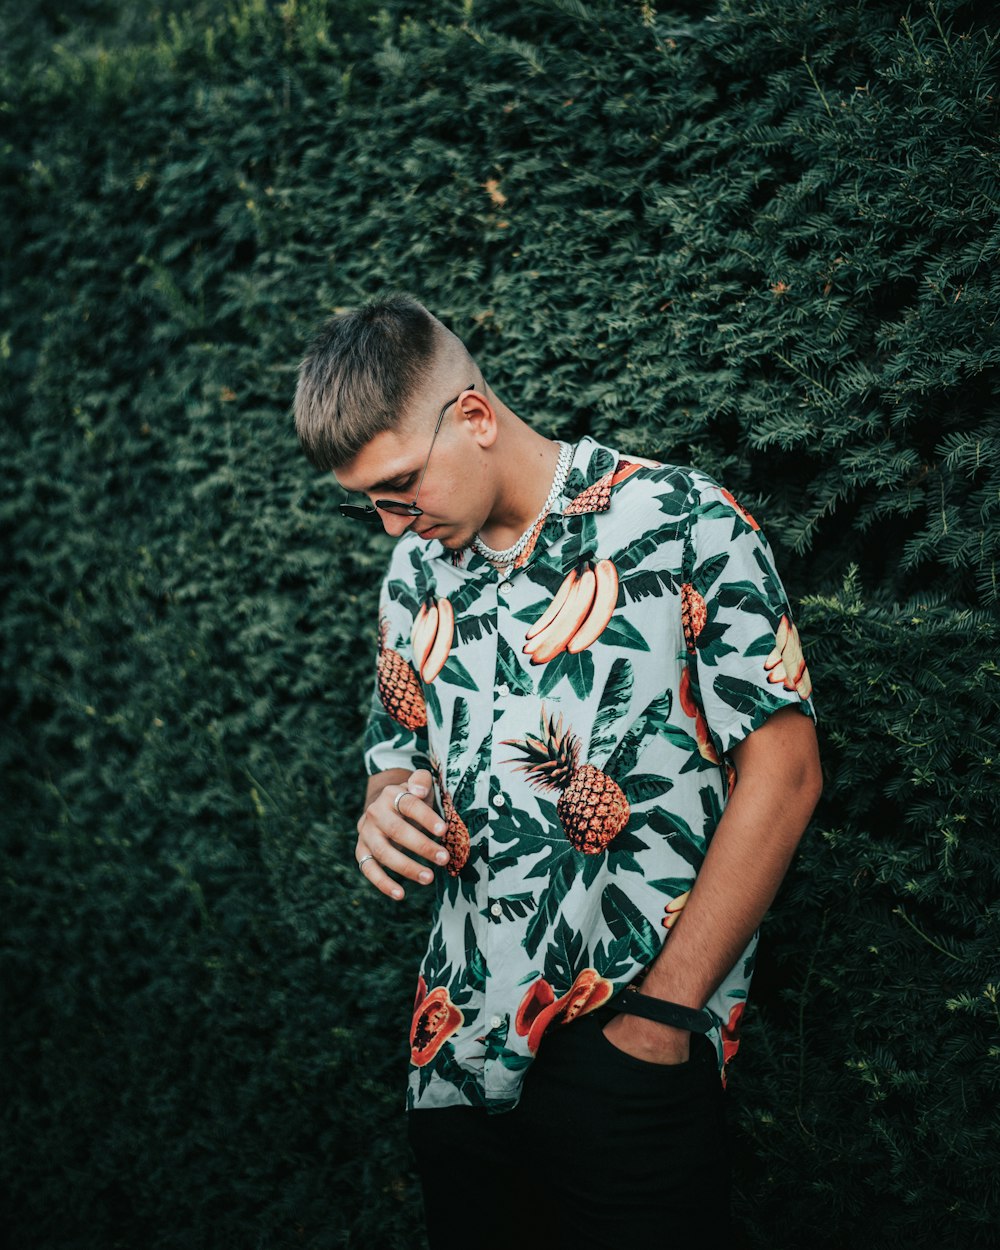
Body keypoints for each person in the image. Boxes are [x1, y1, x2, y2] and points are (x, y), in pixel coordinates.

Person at [294, 293, 823, 1250]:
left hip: (626, 1053)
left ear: (476, 418)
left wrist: (661, 1022)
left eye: (402, 485)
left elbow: (784, 776)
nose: (389, 524)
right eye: (369, 500)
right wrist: (382, 813)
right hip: (451, 1061)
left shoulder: (681, 519)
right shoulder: (412, 577)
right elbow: (394, 763)